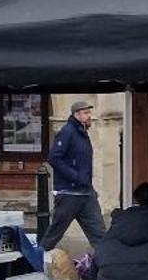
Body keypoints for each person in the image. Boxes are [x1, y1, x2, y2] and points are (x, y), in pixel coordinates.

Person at [42, 102, 107, 253]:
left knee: (100, 234)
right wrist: (75, 177)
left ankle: (107, 267)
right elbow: (54, 158)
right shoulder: (68, 132)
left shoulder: (82, 133)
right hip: (69, 193)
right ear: (76, 115)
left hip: (86, 193)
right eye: (85, 113)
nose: (89, 116)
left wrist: (86, 184)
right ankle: (35, 261)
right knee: (54, 233)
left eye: (89, 113)